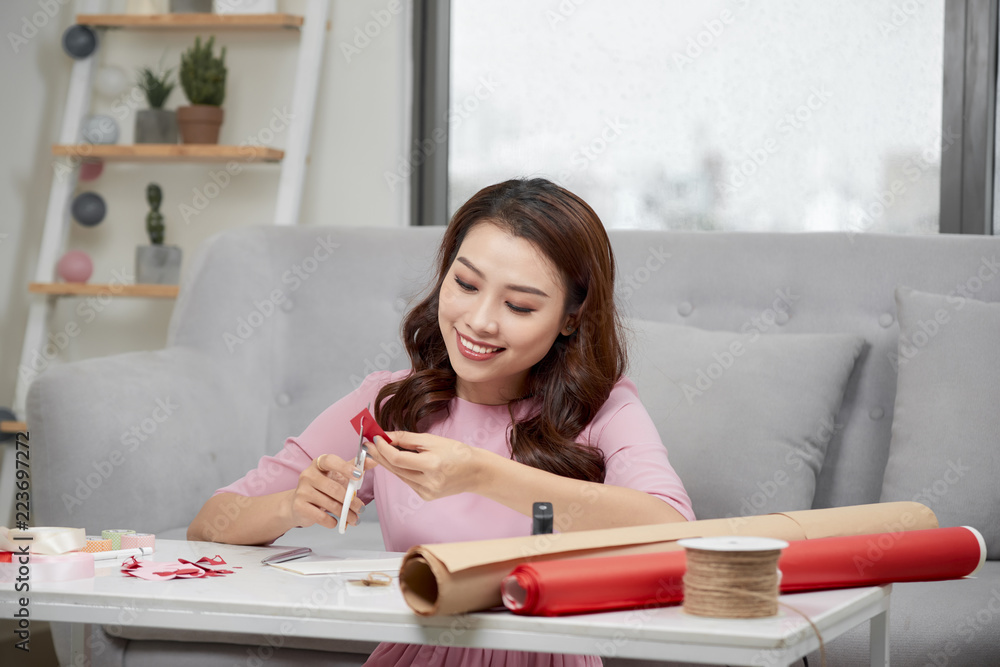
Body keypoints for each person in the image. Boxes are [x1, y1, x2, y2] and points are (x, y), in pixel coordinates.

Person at [188, 178, 695, 666]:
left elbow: (675, 534)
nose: (479, 321)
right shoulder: (390, 401)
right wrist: (291, 505)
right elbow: (210, 524)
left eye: (519, 305)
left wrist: (481, 474)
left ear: (571, 317)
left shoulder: (603, 409)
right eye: (466, 284)